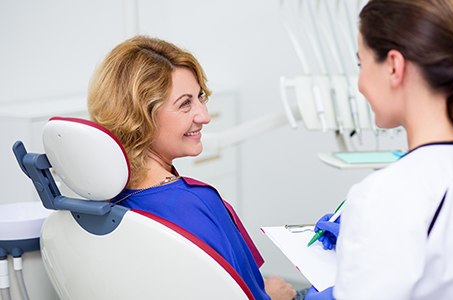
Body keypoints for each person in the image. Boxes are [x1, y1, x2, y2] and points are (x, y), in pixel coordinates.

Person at [306, 0, 453, 299]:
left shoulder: (385, 193)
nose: (360, 83)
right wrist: (370, 247)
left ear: (394, 66)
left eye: (361, 64)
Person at [87, 35, 297, 300]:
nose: (204, 116)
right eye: (185, 104)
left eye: (200, 97)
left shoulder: (101, 200)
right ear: (140, 116)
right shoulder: (197, 203)